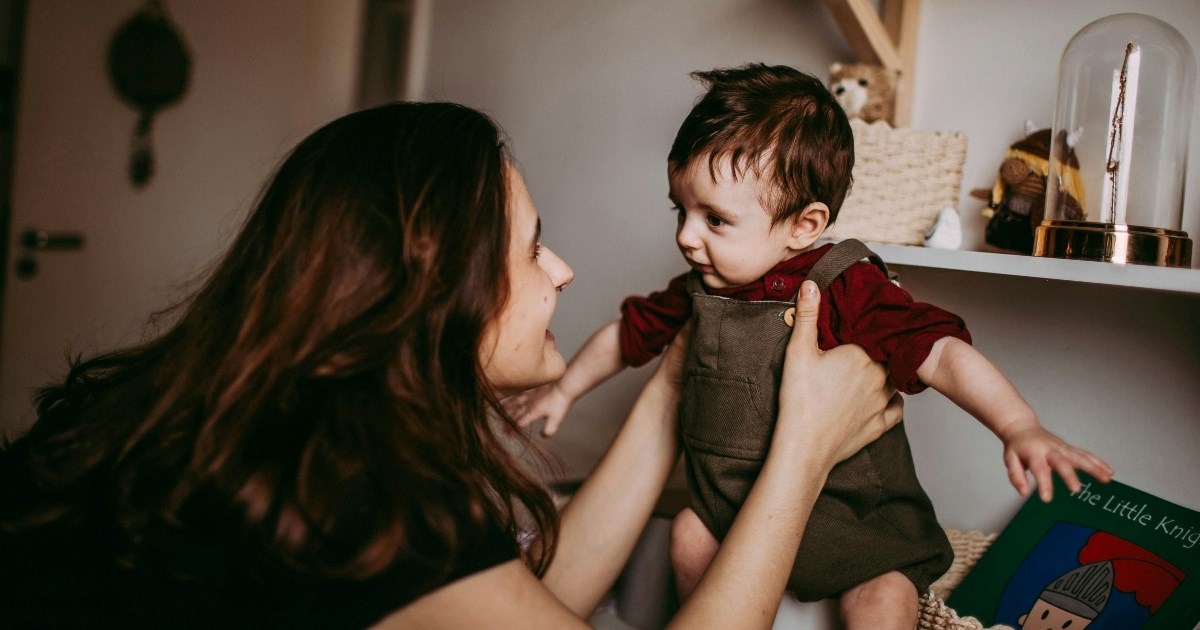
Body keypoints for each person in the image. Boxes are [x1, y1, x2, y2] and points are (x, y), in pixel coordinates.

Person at [0, 101, 902, 629]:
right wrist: (803, 449)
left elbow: (521, 600)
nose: (562, 271)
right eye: (531, 250)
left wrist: (672, 383)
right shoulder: (351, 491)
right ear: (432, 290)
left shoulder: (302, 432)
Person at [506, 64, 1115, 629]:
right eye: (681, 210)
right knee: (688, 536)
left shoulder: (846, 284)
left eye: (714, 219)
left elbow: (941, 350)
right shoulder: (700, 288)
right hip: (737, 508)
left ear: (804, 225)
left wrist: (1019, 426)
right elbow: (627, 335)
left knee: (883, 598)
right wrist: (565, 389)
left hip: (855, 519)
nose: (687, 237)